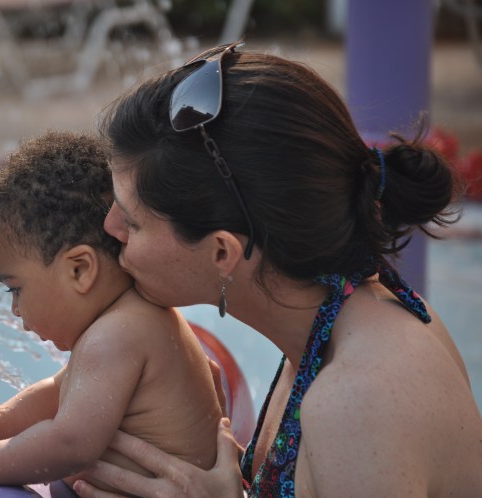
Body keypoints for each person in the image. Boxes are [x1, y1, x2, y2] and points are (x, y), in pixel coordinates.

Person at [71, 42, 482, 497]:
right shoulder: (342, 317)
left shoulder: (358, 403)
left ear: (222, 252)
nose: (109, 227)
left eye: (131, 221)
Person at [0, 131, 224, 498]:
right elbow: (53, 393)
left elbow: (70, 444)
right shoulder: (134, 318)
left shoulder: (117, 334)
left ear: (80, 269)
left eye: (16, 289)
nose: (15, 310)